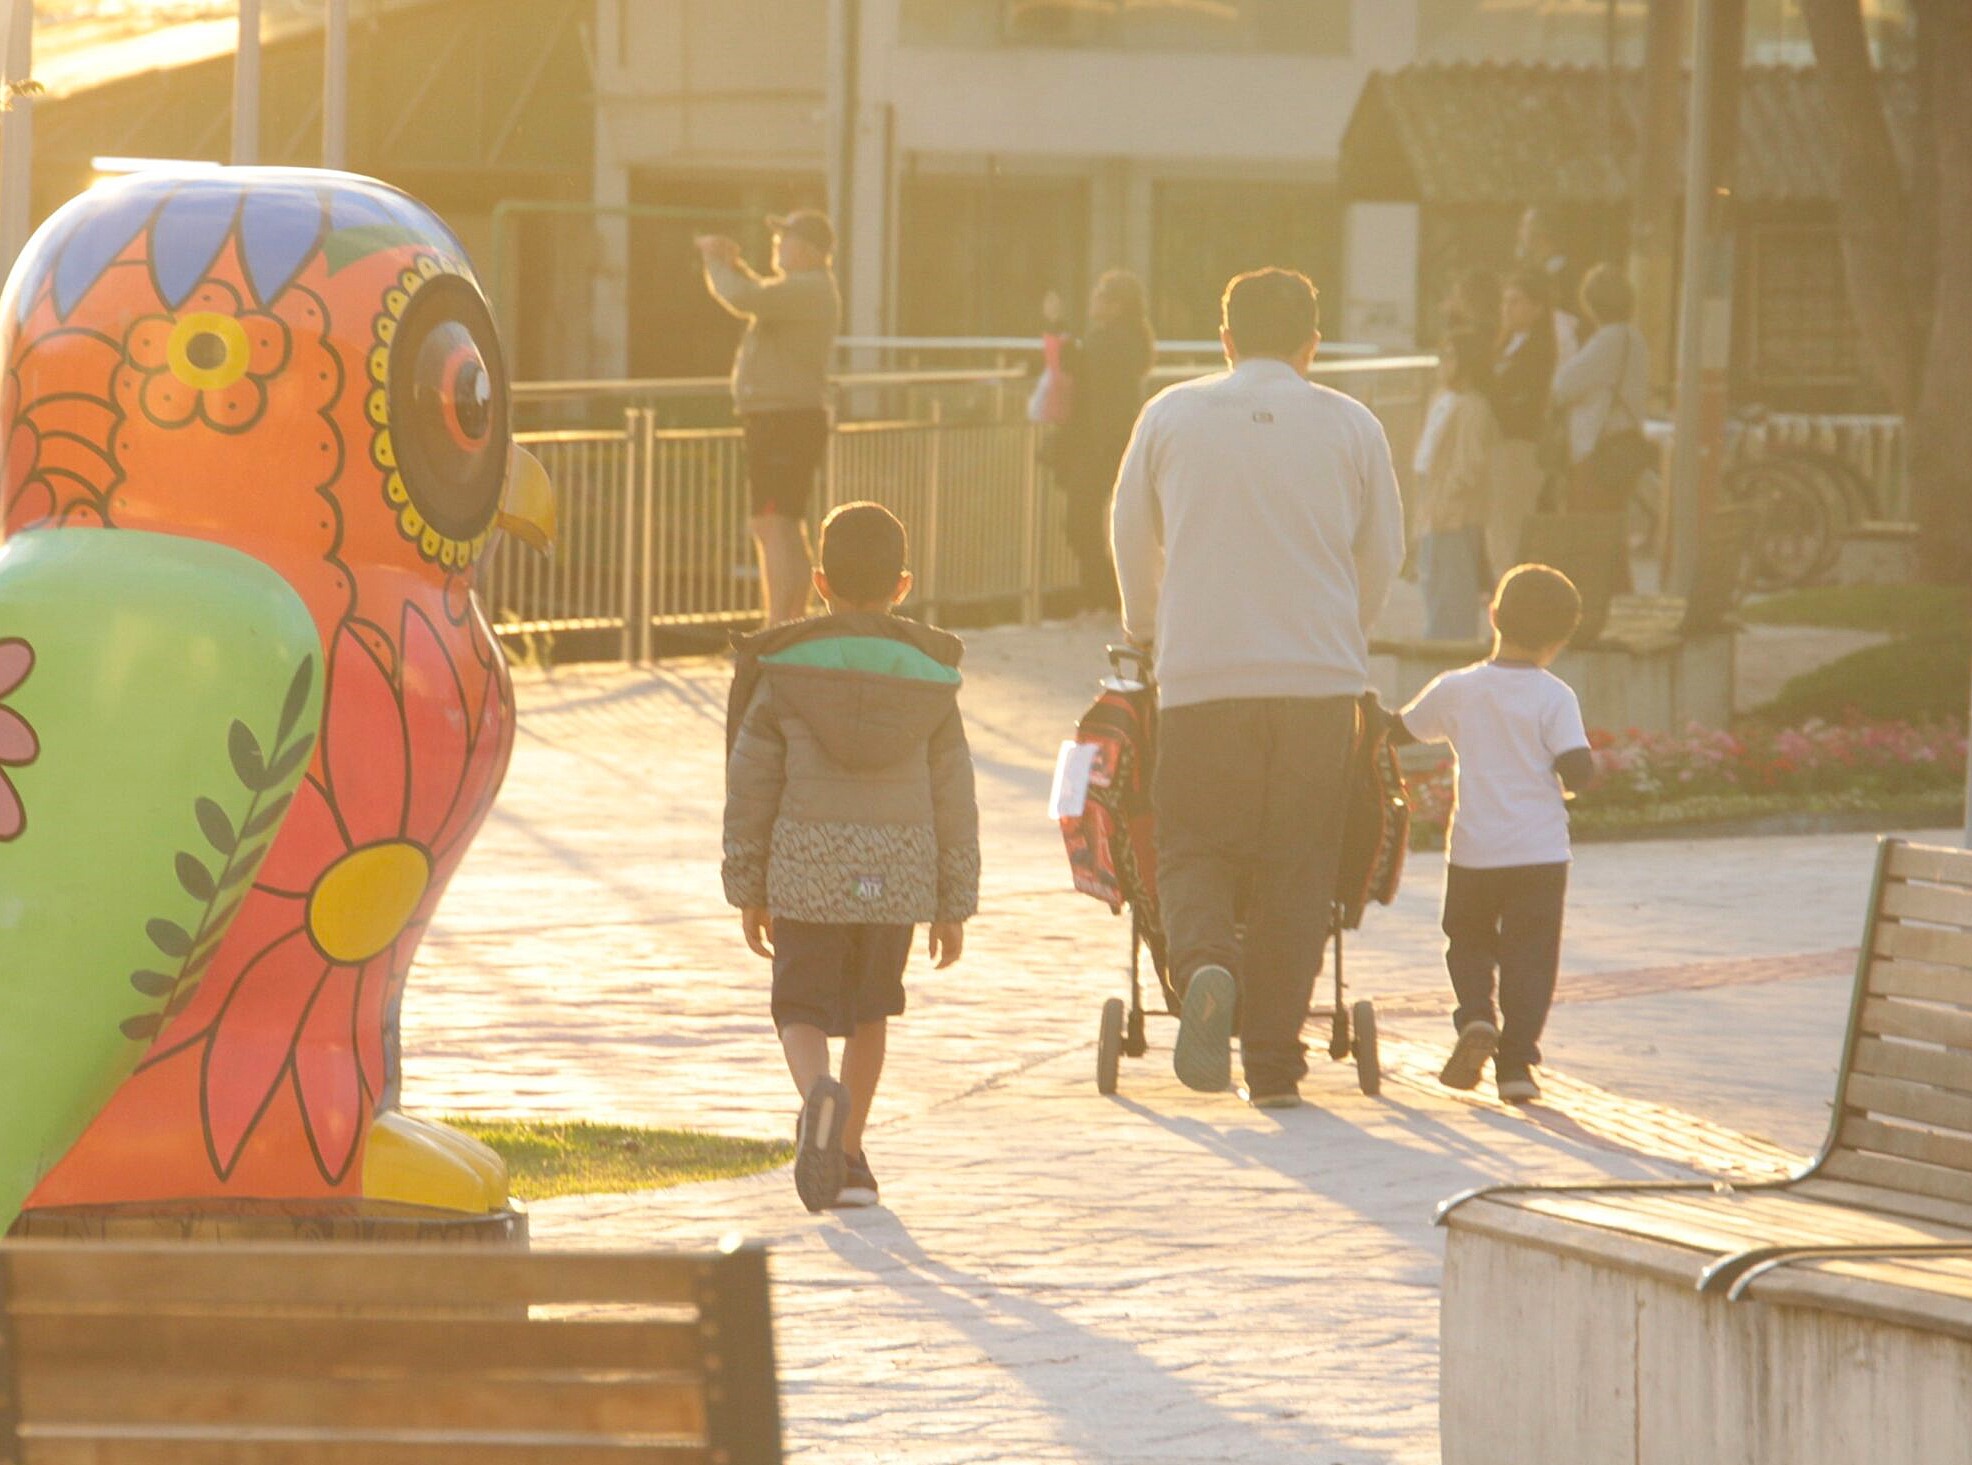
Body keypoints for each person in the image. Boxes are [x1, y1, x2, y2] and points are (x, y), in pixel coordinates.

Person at [1110, 267, 1405, 1108]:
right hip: (1319, 681)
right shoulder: (1353, 425)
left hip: (1202, 674)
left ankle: (1205, 963)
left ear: (1224, 339)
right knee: (1298, 863)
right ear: (1314, 342)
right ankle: (1274, 1062)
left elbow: (1130, 529)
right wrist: (1350, 627)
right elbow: (1384, 550)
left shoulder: (1170, 413)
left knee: (1195, 842)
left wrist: (1146, 626)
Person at [722, 501, 979, 1210]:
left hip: (809, 866)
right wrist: (951, 903)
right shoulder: (931, 678)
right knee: (872, 1011)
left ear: (819, 582)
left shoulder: (786, 668)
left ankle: (816, 1097)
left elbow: (752, 783)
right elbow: (953, 793)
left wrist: (750, 884)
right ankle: (853, 1156)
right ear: (902, 586)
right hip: (892, 875)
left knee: (798, 1004)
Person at [1387, 564, 1595, 1105]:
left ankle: (1477, 1015)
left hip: (1475, 851)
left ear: (1494, 616)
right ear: (1562, 637)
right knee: (1531, 954)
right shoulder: (1556, 696)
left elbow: (1400, 730)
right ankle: (1517, 1066)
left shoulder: (1458, 688)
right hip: (1540, 853)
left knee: (1468, 939)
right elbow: (1578, 770)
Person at [697, 210, 842, 626]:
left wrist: (713, 261)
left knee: (771, 525)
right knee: (782, 525)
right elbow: (758, 291)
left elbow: (746, 298)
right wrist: (734, 265)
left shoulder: (809, 289)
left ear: (810, 250)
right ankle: (788, 625)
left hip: (783, 420)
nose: (778, 244)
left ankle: (777, 628)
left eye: (786, 238)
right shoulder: (805, 290)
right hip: (786, 418)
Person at [1055, 269, 1155, 611]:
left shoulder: (1106, 342)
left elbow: (1094, 388)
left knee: (1081, 520)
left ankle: (1101, 597)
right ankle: (1108, 597)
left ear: (1116, 306)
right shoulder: (1130, 342)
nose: (1093, 301)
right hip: (1117, 439)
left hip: (1097, 443)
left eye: (1101, 296)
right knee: (1116, 517)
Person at [1413, 329, 1500, 642]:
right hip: (1434, 511)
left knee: (1453, 597)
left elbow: (1469, 466)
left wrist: (1447, 497)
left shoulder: (1474, 407)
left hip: (1456, 516)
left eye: (1450, 357)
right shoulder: (1443, 400)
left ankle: (1449, 654)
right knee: (1433, 588)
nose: (1443, 364)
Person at [1550, 264, 1650, 517]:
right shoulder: (1634, 338)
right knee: (1614, 523)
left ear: (1591, 304)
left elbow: (1562, 386)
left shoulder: (1606, 340)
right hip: (1625, 440)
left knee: (1589, 523)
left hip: (1597, 447)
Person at [1489, 268, 1559, 573]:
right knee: (1496, 525)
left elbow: (1526, 399)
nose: (1507, 308)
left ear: (1537, 308)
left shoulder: (1539, 349)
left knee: (1512, 525)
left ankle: (1514, 588)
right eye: (1505, 301)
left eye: (1516, 302)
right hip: (1498, 443)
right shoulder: (1506, 343)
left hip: (1520, 443)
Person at [1515, 207, 1581, 358]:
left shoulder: (1564, 271)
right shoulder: (1530, 269)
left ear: (1540, 233)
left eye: (1524, 226)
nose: (1520, 233)